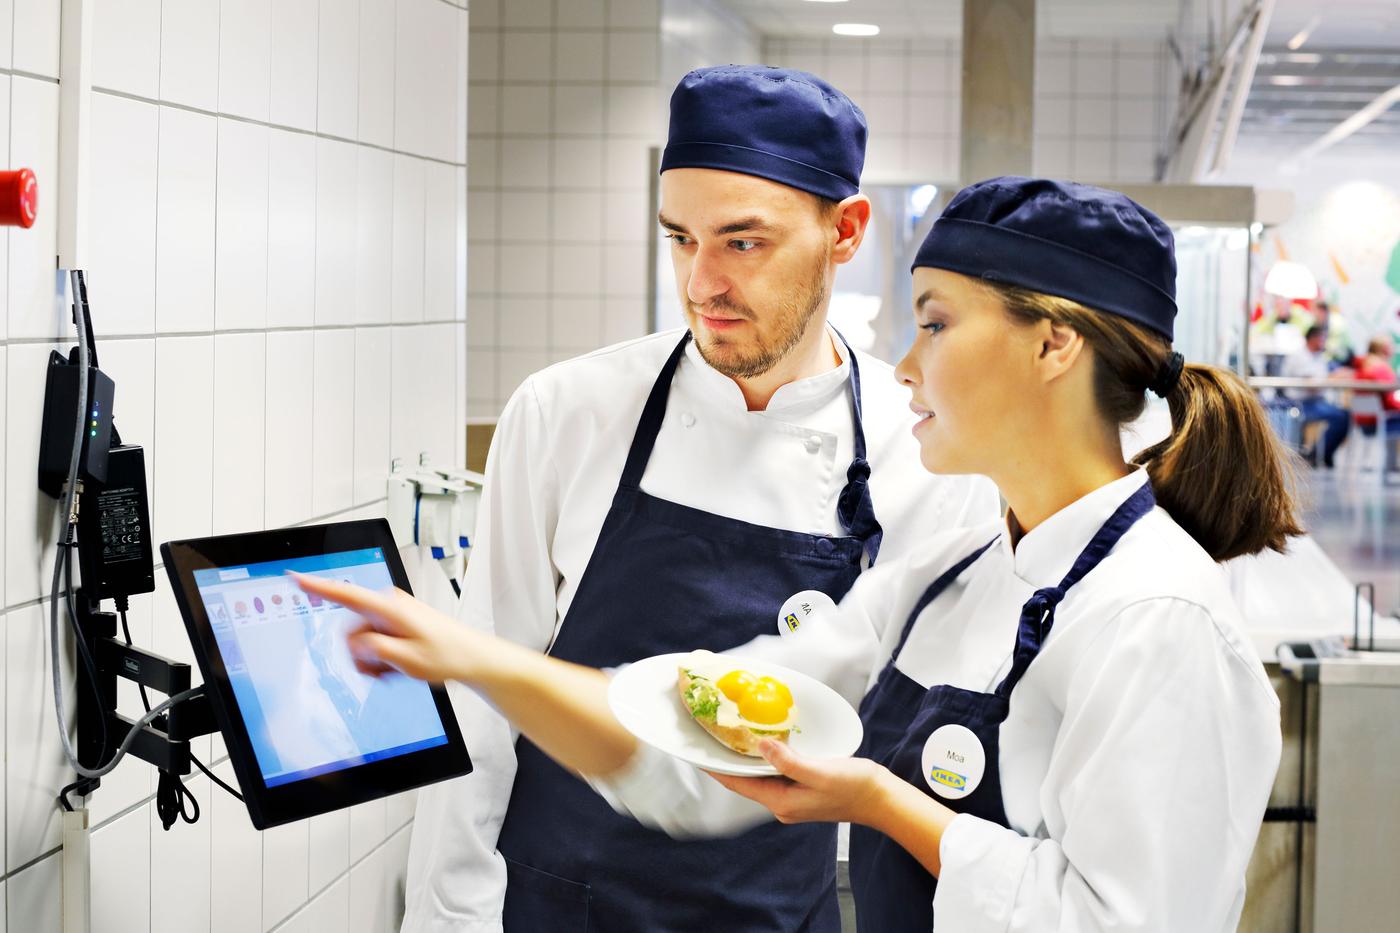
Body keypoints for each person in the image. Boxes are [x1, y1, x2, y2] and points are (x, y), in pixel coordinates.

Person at [296, 178, 1296, 932]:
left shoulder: (1155, 620)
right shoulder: (947, 578)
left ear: (1052, 348)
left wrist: (881, 805)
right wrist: (475, 658)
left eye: (937, 324)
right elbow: (691, 740)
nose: (902, 366)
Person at [400, 65, 997, 933]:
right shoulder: (570, 410)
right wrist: (446, 918)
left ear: (847, 231)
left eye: (743, 242)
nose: (700, 283)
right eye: (681, 237)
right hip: (556, 907)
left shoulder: (924, 453)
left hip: (778, 911)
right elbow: (483, 701)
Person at [1283, 324, 1350, 466]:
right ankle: (1320, 454)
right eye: (1322, 339)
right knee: (1339, 416)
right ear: (1312, 338)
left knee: (1344, 415)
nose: (1324, 342)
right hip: (1300, 403)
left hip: (1317, 401)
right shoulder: (1299, 357)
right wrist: (1331, 377)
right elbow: (1311, 385)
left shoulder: (1319, 357)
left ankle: (1321, 453)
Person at [1353, 335, 1400, 437]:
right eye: (1391, 346)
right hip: (1379, 423)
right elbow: (1390, 402)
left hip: (1362, 422)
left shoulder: (1362, 367)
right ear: (1384, 349)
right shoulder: (1381, 370)